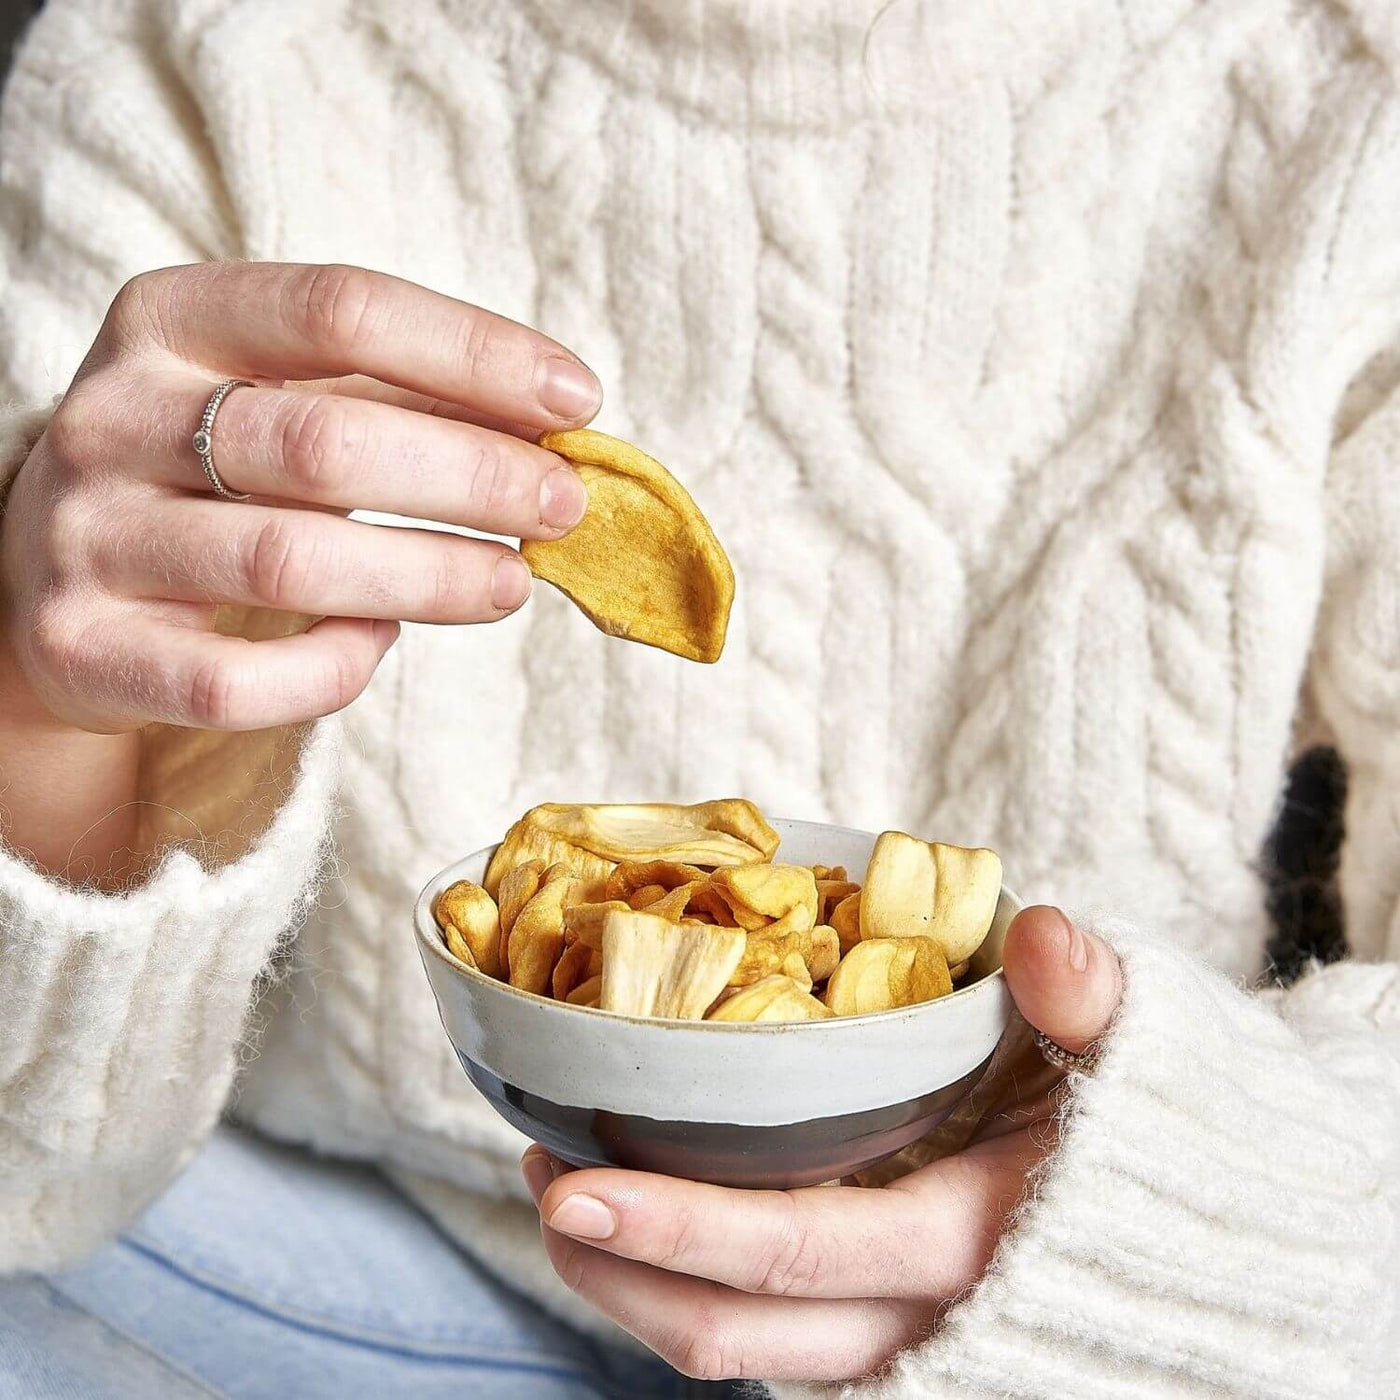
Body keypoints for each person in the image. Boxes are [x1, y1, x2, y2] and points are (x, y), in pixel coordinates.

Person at [0, 0, 1397, 1394]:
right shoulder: (194, 51)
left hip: (1079, 1309)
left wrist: (1169, 1250)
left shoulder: (1345, 94)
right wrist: (33, 701)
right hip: (380, 1254)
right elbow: (31, 1178)